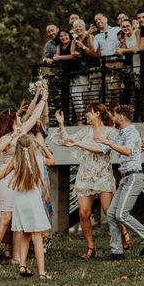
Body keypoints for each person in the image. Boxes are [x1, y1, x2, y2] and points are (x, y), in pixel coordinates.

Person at [51, 103, 126, 259]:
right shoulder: (85, 131)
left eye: (89, 113)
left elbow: (102, 148)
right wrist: (61, 124)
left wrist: (79, 143)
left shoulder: (110, 132)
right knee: (84, 213)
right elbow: (66, 141)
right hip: (85, 177)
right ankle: (90, 248)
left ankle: (123, 234)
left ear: (97, 113)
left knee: (109, 212)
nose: (86, 115)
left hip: (103, 176)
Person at [0, 91, 48, 269]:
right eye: (17, 118)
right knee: (5, 217)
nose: (20, 121)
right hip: (6, 178)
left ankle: (16, 256)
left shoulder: (22, 130)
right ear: (12, 121)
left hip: (19, 176)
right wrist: (13, 137)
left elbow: (34, 115)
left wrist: (43, 98)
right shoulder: (6, 136)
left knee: (18, 217)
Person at [95, 105, 144, 260]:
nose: (112, 118)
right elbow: (102, 148)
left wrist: (108, 142)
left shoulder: (132, 132)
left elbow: (128, 151)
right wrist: (75, 144)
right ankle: (117, 252)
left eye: (114, 115)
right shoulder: (121, 133)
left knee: (121, 214)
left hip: (133, 177)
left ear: (121, 117)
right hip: (125, 178)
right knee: (111, 214)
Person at [0, 135, 54, 279]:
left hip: (19, 202)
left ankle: (23, 265)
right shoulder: (39, 160)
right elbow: (53, 161)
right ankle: (42, 273)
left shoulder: (15, 161)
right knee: (37, 237)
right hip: (34, 202)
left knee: (25, 234)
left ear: (17, 148)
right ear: (32, 146)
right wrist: (42, 146)